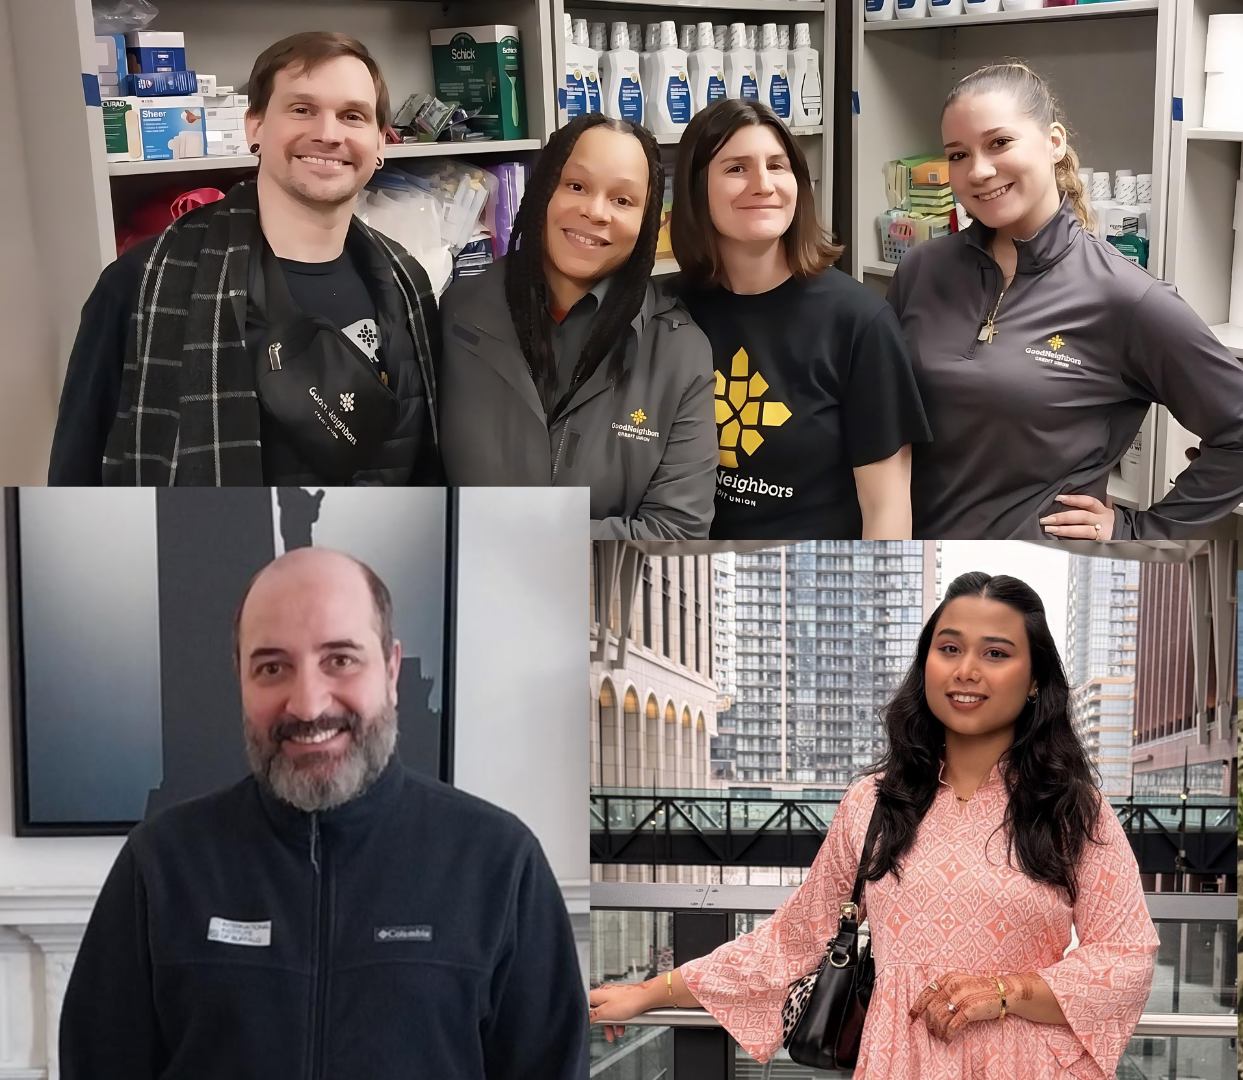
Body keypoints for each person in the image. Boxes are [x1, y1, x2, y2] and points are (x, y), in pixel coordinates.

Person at [588, 572, 1159, 1077]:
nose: (966, 670)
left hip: (1031, 1065)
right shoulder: (874, 803)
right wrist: (650, 992)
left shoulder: (1071, 808)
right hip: (898, 1060)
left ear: (1035, 680)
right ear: (925, 664)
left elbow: (1128, 954)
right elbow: (794, 939)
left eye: (996, 653)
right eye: (950, 647)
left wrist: (1005, 992)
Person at [59, 547, 587, 1079]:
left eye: (340, 659)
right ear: (240, 679)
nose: (308, 705)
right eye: (272, 667)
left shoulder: (498, 862)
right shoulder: (160, 864)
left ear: (392, 668)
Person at [888, 63, 1243, 541]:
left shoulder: (1126, 298)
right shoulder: (922, 270)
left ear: (1054, 141)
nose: (978, 170)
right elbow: (886, 416)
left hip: (1038, 576)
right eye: (958, 154)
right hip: (912, 558)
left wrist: (1140, 532)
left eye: (999, 143)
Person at [49, 32, 442, 486]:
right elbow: (75, 474)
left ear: (380, 143)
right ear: (254, 125)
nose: (328, 134)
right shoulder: (141, 284)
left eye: (352, 115)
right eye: (302, 109)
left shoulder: (408, 283)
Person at [439, 113, 718, 540]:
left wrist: (523, 542)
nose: (595, 211)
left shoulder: (678, 353)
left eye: (623, 200)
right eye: (576, 186)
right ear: (542, 190)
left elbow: (676, 530)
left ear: (650, 221)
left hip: (606, 595)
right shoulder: (461, 311)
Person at [670, 99, 928, 539]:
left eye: (777, 166)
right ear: (696, 189)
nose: (763, 185)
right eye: (736, 169)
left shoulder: (860, 322)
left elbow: (886, 510)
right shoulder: (664, 311)